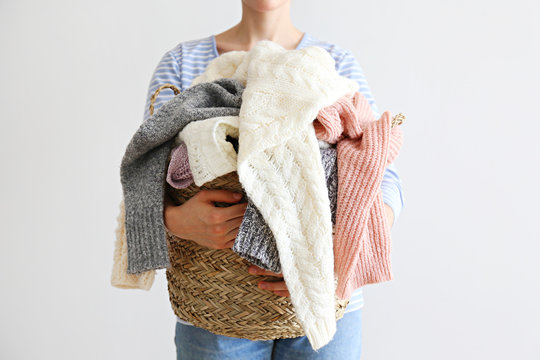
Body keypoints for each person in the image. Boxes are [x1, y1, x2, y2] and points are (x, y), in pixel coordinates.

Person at [143, 1, 405, 358]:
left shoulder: (333, 61)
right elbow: (144, 173)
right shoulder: (183, 62)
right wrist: (174, 220)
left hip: (327, 305)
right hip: (216, 308)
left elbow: (380, 174)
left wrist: (330, 253)